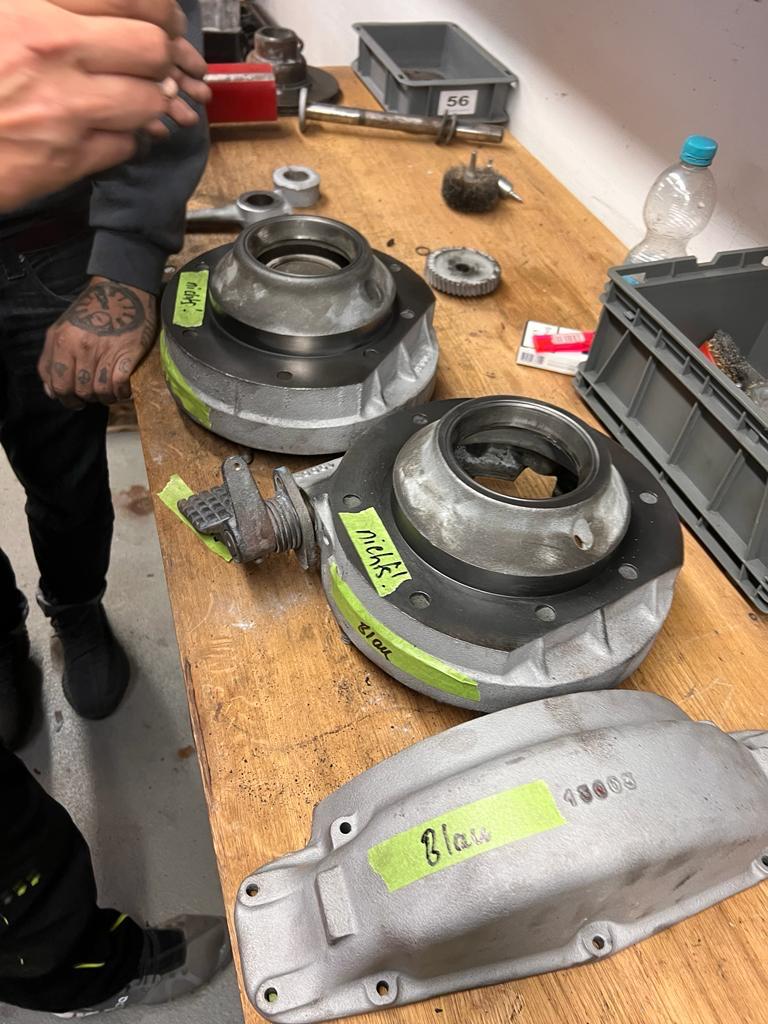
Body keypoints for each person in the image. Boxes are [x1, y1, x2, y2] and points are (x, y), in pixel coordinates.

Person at [0, 1, 232, 1015]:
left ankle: (76, 610)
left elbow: (155, 51)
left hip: (47, 248)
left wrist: (127, 264)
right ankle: (1, 639)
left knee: (64, 472)